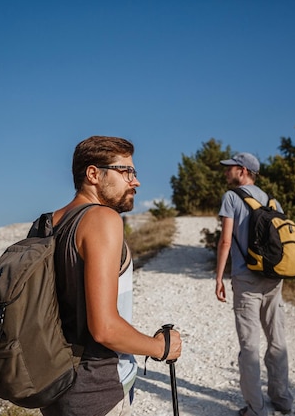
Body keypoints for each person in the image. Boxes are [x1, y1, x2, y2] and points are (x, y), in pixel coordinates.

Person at [40, 135, 182, 416]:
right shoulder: (103, 219)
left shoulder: (46, 224)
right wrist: (160, 347)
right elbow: (104, 327)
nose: (135, 181)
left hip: (52, 389)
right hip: (96, 392)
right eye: (125, 171)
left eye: (134, 172)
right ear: (93, 174)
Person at [214, 152, 294, 416]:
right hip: (273, 279)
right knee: (276, 338)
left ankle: (257, 410)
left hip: (246, 278)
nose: (227, 173)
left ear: (243, 170)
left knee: (249, 344)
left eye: (231, 168)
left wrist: (218, 277)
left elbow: (225, 241)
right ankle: (282, 400)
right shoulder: (273, 201)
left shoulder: (231, 198)